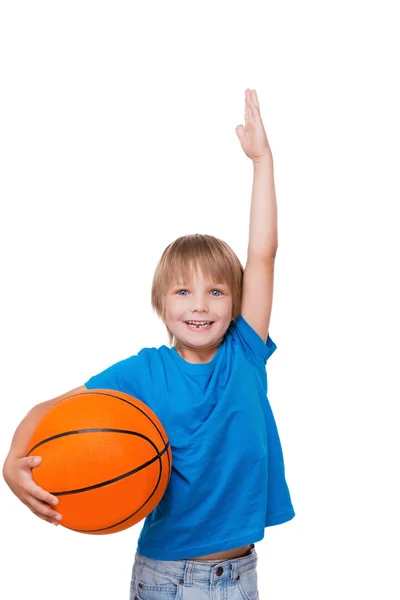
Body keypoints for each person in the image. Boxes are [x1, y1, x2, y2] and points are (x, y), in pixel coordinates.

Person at [3, 88, 295, 599]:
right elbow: (48, 409)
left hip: (242, 573)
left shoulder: (246, 353)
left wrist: (262, 161)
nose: (200, 305)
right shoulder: (143, 373)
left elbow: (263, 252)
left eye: (216, 291)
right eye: (183, 292)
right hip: (168, 578)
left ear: (237, 301)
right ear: (162, 306)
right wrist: (12, 462)